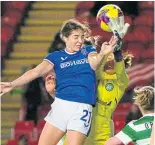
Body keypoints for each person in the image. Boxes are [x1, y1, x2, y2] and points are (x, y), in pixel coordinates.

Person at [1, 19, 118, 145]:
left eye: (82, 37)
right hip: (61, 106)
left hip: (82, 108)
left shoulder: (88, 51)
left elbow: (94, 64)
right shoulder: (55, 57)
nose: (80, 41)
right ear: (66, 37)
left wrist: (101, 54)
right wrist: (12, 84)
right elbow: (35, 72)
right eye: (76, 37)